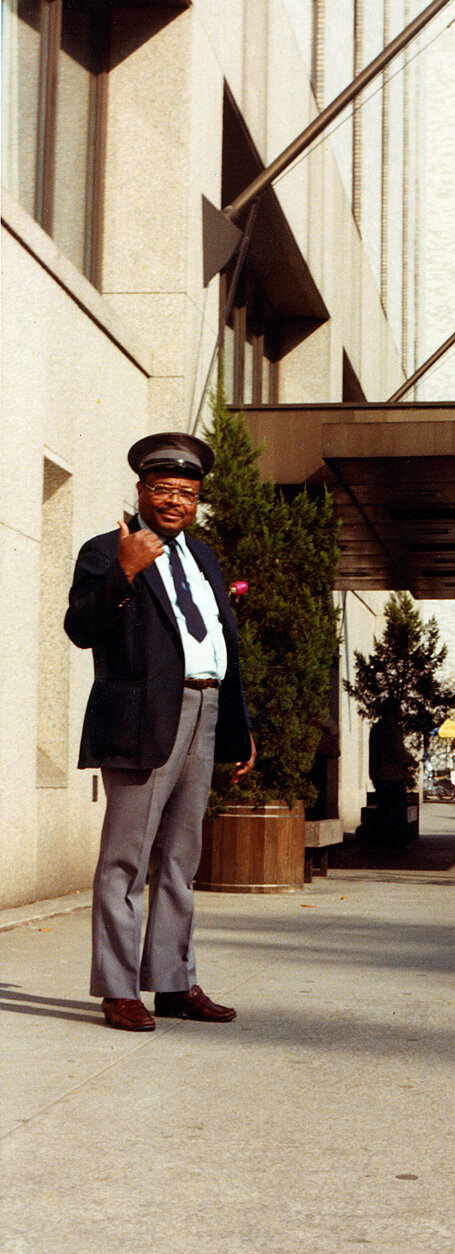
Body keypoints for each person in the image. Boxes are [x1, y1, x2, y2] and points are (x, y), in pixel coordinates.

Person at [64, 432, 256, 1032]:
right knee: (125, 859)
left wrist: (239, 727)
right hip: (143, 717)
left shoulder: (203, 558)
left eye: (188, 492)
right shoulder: (106, 550)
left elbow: (217, 643)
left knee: (180, 856)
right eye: (164, 489)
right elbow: (80, 628)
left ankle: (173, 981)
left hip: (204, 709)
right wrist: (123, 573)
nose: (176, 501)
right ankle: (119, 989)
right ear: (142, 491)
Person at [368, 697, 416, 843]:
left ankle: (386, 839)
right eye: (399, 708)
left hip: (380, 775)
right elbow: (396, 753)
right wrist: (410, 761)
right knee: (396, 811)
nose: (401, 711)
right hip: (392, 776)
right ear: (393, 711)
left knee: (385, 808)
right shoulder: (391, 729)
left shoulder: (377, 728)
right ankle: (396, 841)